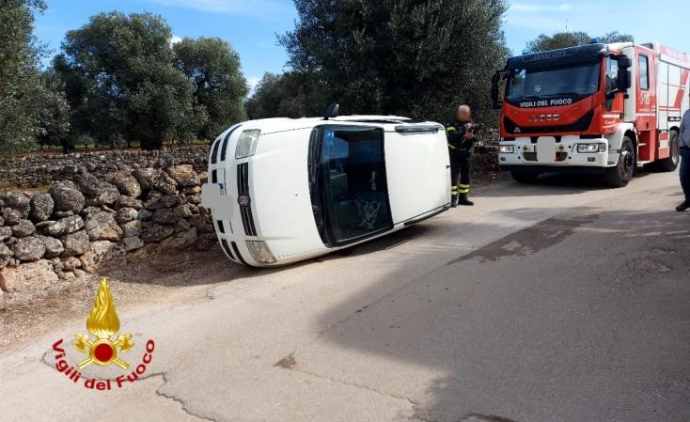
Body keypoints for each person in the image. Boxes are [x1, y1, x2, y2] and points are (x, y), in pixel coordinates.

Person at [446, 105, 477, 207]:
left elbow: (474, 138)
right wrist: (463, 131)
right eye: (463, 113)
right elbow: (452, 138)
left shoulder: (470, 124)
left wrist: (471, 137)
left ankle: (463, 198)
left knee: (465, 177)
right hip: (454, 154)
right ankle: (453, 199)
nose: (465, 115)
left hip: (466, 154)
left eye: (467, 113)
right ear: (458, 114)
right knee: (454, 177)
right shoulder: (451, 124)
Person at [678, 101, 690, 212]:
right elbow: (681, 131)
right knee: (684, 177)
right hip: (686, 150)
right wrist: (680, 146)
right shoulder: (687, 114)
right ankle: (688, 200)